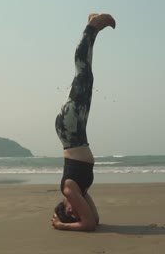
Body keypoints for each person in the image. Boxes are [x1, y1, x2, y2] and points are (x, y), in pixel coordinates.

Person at [51, 13, 116, 231]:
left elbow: (87, 225)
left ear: (67, 209)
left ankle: (91, 27)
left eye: (71, 213)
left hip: (71, 130)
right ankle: (92, 28)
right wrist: (76, 218)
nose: (76, 211)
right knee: (86, 78)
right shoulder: (81, 191)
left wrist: (61, 225)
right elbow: (94, 220)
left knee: (83, 75)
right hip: (75, 131)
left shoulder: (69, 190)